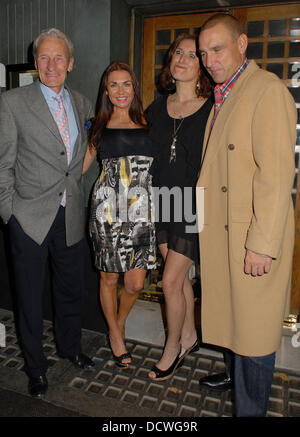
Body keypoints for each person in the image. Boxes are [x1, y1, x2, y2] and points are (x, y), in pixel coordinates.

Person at [197, 13, 297, 416]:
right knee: (239, 329)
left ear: (242, 44)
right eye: (204, 53)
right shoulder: (227, 93)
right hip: (228, 235)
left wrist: (262, 244)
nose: (210, 60)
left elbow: (276, 177)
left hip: (252, 239)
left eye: (217, 49)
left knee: (254, 338)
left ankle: (251, 410)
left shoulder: (266, 91)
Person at [0, 28, 95, 398]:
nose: (51, 65)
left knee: (70, 291)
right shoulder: (12, 103)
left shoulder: (83, 103)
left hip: (70, 214)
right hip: (29, 217)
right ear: (35, 61)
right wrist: (10, 212)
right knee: (29, 297)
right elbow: (2, 163)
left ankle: (71, 349)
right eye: (44, 57)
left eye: (59, 58)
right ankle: (35, 367)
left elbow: (79, 157)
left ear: (70, 63)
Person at [145, 34, 213, 381]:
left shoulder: (213, 106)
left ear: (201, 65)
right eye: (177, 53)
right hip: (161, 202)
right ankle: (189, 336)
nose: (182, 59)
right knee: (181, 279)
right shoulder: (156, 107)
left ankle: (171, 348)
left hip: (192, 204)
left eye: (191, 55)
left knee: (170, 282)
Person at [83, 61, 156, 367]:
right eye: (114, 85)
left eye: (126, 83)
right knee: (109, 278)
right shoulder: (96, 126)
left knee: (136, 283)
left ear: (134, 88)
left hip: (142, 211)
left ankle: (119, 321)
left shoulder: (149, 122)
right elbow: (79, 169)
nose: (121, 90)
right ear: (106, 90)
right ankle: (114, 334)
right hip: (107, 211)